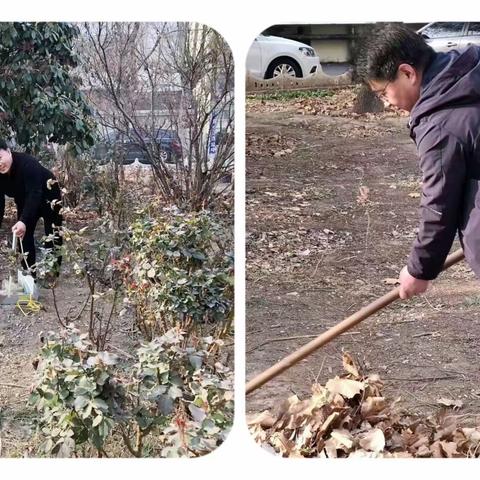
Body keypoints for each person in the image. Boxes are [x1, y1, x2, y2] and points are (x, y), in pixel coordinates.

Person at [361, 24, 480, 300]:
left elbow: (439, 204)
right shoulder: (470, 69)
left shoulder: (440, 126)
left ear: (407, 73)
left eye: (382, 93)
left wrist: (418, 270)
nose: (387, 103)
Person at [0, 139, 63, 276]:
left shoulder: (28, 163)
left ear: (8, 151)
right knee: (23, 236)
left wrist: (24, 219)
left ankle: (52, 272)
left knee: (53, 233)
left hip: (49, 195)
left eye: (0, 158)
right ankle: (29, 273)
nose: (0, 164)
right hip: (24, 199)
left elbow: (35, 193)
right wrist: (22, 222)